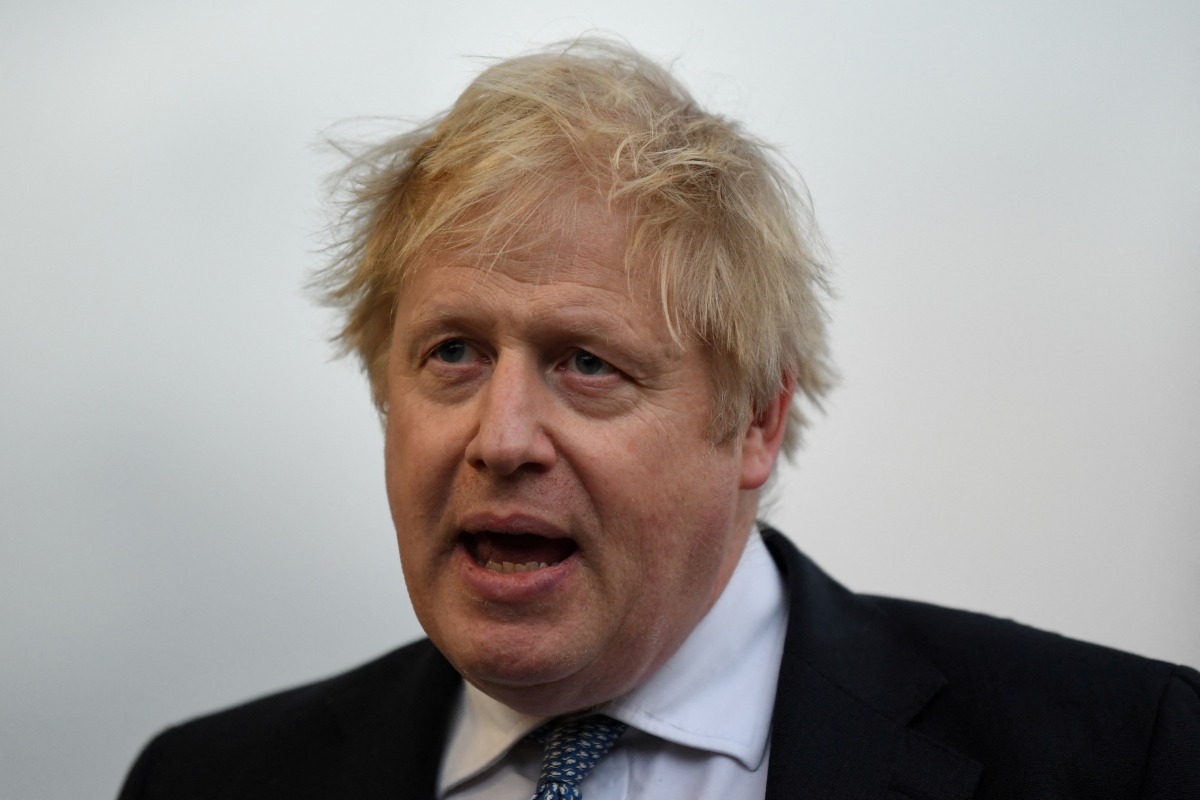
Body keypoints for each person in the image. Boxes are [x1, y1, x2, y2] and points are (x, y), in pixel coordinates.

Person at [117, 39, 1198, 799]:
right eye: (453, 352)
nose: (501, 437)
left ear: (755, 422)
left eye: (586, 364)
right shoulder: (202, 778)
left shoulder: (1125, 755)